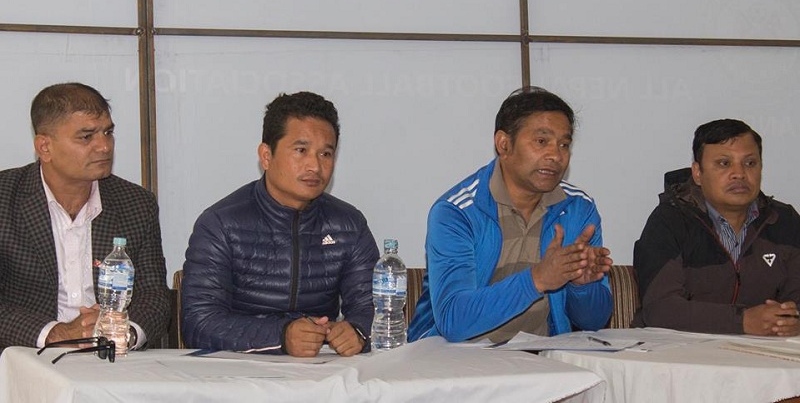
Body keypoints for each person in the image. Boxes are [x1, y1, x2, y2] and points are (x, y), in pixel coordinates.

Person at [408, 86, 613, 343]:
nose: (556, 155)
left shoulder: (578, 209)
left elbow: (594, 322)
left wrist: (582, 287)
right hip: (457, 357)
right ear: (504, 144)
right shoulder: (457, 212)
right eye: (542, 141)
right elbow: (453, 320)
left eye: (564, 144)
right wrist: (537, 279)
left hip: (541, 355)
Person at [181, 91, 379, 357]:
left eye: (326, 153)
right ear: (266, 156)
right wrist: (281, 336)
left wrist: (357, 331)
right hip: (237, 371)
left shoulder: (349, 225)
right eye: (301, 150)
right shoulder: (220, 224)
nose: (315, 166)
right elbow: (199, 323)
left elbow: (374, 308)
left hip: (321, 371)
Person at [0, 82, 170, 352]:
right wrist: (56, 333)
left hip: (111, 360)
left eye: (108, 132)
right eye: (86, 137)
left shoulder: (136, 203)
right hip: (22, 356)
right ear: (44, 147)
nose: (104, 147)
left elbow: (154, 295)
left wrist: (124, 332)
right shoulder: (4, 198)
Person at [633, 119, 800, 336]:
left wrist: (792, 320)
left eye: (750, 163)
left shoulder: (784, 221)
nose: (739, 174)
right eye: (724, 163)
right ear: (697, 173)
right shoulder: (670, 221)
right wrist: (742, 321)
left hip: (761, 352)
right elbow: (660, 309)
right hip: (677, 350)